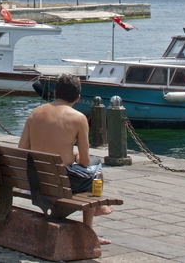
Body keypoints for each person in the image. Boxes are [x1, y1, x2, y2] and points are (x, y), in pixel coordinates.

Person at [19, 73, 113, 244]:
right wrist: (75, 156)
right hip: (62, 182)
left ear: (55, 93)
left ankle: (99, 207)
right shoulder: (78, 118)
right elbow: (84, 161)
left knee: (90, 168)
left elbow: (22, 149)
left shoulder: (35, 113)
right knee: (96, 166)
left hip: (36, 179)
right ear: (78, 97)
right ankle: (91, 224)